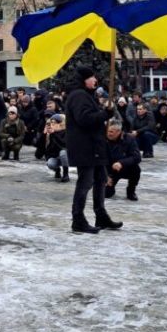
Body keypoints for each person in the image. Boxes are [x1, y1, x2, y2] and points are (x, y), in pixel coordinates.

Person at [65, 67, 121, 234]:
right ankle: (78, 220)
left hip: (94, 147)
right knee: (85, 182)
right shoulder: (79, 95)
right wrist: (105, 114)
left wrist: (105, 114)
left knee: (100, 179)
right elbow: (84, 119)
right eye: (92, 77)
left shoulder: (86, 95)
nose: (95, 80)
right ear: (84, 80)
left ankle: (101, 215)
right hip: (85, 147)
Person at [103, 119, 142, 201]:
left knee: (136, 169)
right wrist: (105, 176)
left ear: (119, 132)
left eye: (111, 132)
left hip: (124, 167)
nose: (109, 134)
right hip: (109, 169)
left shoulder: (129, 139)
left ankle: (131, 191)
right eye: (108, 131)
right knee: (107, 194)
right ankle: (110, 188)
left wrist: (121, 163)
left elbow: (137, 157)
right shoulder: (103, 139)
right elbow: (99, 159)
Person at [43, 114, 69, 182]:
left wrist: (54, 134)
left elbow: (63, 146)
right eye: (51, 123)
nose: (52, 125)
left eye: (54, 123)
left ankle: (66, 174)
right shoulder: (51, 133)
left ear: (60, 124)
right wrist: (44, 134)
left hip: (68, 157)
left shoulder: (67, 132)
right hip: (56, 156)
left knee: (63, 152)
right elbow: (44, 148)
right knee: (50, 163)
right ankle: (57, 170)